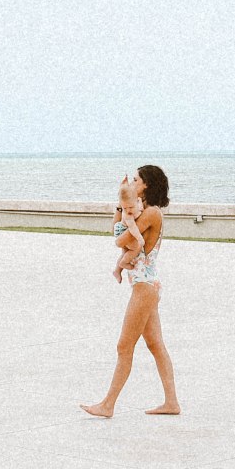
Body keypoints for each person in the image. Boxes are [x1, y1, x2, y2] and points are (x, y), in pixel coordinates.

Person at [83, 165, 180, 418]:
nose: (132, 183)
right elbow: (117, 229)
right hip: (146, 285)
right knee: (155, 344)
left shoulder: (152, 213)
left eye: (136, 180)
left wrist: (124, 224)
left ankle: (108, 405)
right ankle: (172, 403)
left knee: (124, 346)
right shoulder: (140, 211)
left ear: (146, 185)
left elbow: (120, 239)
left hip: (144, 287)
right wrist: (121, 204)